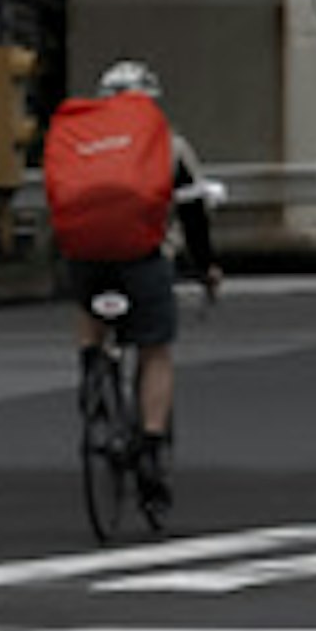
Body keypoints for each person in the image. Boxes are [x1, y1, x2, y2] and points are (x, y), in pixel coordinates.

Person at [41, 55, 216, 489]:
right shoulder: (168, 144)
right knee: (155, 349)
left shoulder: (80, 142)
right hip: (144, 256)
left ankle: (91, 365)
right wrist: (207, 266)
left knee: (90, 300)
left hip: (85, 255)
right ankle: (152, 445)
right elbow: (193, 213)